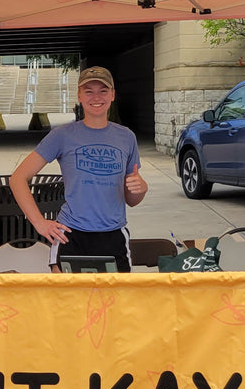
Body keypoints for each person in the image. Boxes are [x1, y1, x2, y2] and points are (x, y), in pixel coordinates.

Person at [9, 66, 147, 272]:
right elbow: (18, 178)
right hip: (70, 235)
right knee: (67, 293)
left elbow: (132, 199)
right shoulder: (62, 135)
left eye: (103, 91)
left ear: (112, 95)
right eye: (88, 91)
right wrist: (39, 223)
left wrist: (141, 189)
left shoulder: (126, 137)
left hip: (113, 236)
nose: (96, 97)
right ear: (79, 96)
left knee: (117, 294)